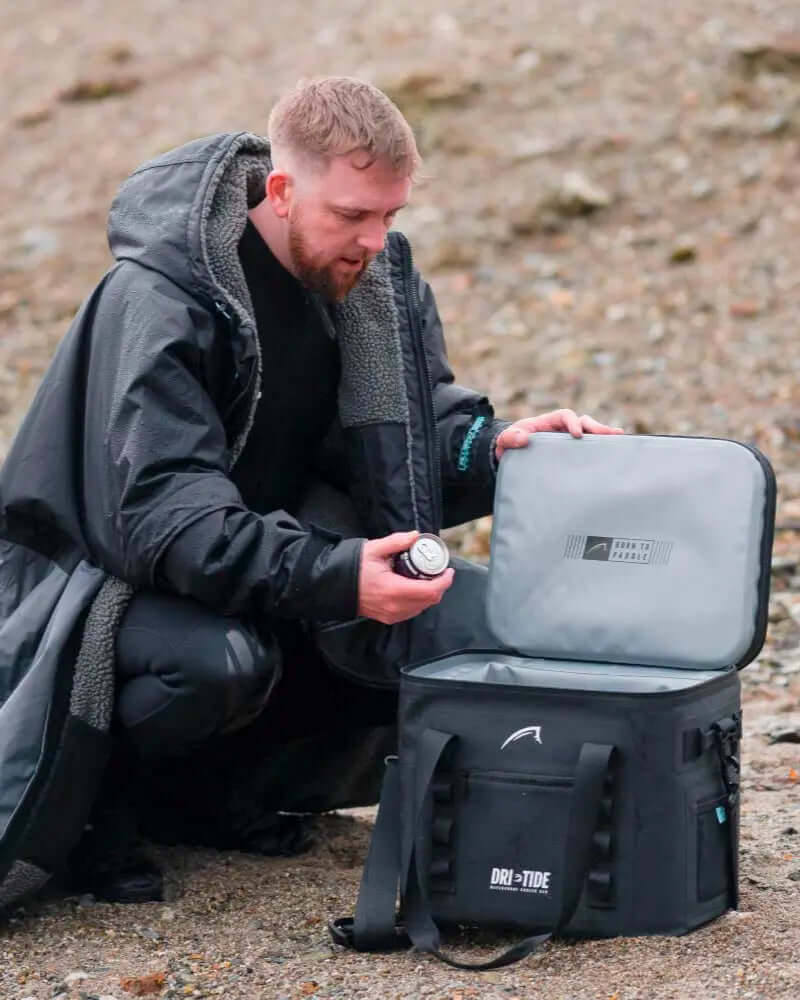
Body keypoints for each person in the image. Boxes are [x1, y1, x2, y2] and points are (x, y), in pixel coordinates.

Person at [0, 77, 622, 908]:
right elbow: (162, 517)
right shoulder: (162, 297)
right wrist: (335, 576)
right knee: (216, 664)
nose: (373, 240)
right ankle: (98, 818)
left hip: (267, 561)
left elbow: (406, 441)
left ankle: (218, 798)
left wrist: (499, 450)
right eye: (352, 216)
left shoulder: (370, 284)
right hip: (100, 587)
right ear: (283, 192)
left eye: (390, 217)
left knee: (476, 630)